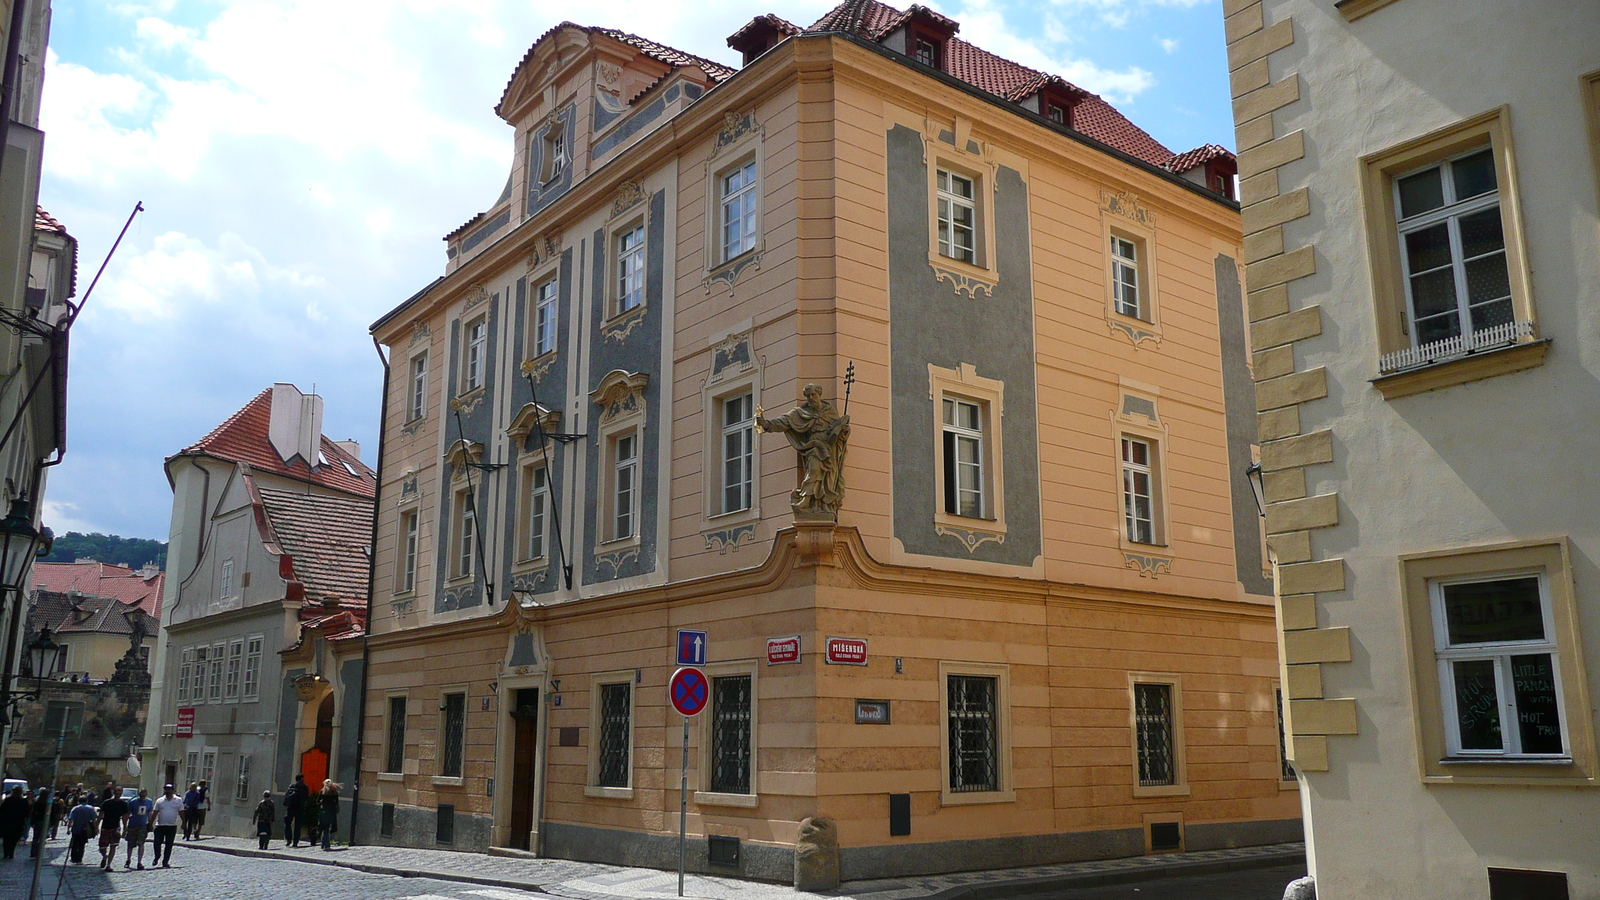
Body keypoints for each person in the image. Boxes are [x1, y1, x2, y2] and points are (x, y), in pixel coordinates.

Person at [150, 785, 183, 868]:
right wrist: (150, 823)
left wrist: (184, 822)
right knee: (157, 843)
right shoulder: (160, 801)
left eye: (169, 789)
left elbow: (181, 812)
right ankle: (157, 856)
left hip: (171, 826)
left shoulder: (178, 800)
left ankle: (165, 861)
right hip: (160, 825)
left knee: (169, 845)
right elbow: (155, 812)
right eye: (166, 789)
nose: (167, 791)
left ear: (173, 790)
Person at [97, 789, 128, 871]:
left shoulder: (123, 804)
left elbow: (125, 817)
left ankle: (109, 865)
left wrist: (125, 828)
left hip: (116, 827)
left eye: (119, 793)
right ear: (114, 793)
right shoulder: (107, 802)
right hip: (105, 827)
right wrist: (96, 826)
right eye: (116, 793)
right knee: (102, 847)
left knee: (113, 846)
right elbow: (100, 815)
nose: (118, 795)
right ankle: (105, 856)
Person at [124, 788, 154, 869]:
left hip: (143, 825)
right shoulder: (133, 802)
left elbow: (150, 813)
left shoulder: (149, 802)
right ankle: (128, 859)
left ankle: (139, 862)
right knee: (130, 843)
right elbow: (127, 814)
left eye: (144, 794)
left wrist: (150, 824)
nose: (142, 796)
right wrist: (125, 825)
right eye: (141, 794)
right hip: (133, 825)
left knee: (141, 843)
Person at [66, 796, 98, 864]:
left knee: (75, 844)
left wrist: (68, 829)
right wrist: (96, 828)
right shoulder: (90, 808)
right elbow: (94, 820)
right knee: (82, 844)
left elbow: (71, 819)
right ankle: (79, 858)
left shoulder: (75, 808)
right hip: (85, 829)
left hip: (76, 828)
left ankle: (73, 857)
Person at [0, 786, 28, 859]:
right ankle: (11, 852)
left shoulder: (8, 800)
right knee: (14, 838)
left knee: (6, 838)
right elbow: (26, 813)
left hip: (7, 822)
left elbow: (2, 810)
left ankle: (6, 853)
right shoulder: (23, 801)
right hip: (18, 822)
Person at [283, 774, 308, 847]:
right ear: (300, 779)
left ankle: (288, 839)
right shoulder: (304, 787)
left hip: (290, 808)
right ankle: (295, 841)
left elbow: (287, 796)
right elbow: (306, 798)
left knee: (288, 824)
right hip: (299, 809)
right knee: (298, 825)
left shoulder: (292, 786)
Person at [27, 788, 50, 858]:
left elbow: (33, 813)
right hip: (45, 821)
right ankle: (39, 853)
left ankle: (33, 853)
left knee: (35, 837)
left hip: (37, 821)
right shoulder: (49, 803)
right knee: (42, 838)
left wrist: (32, 822)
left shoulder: (38, 802)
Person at [317, 780, 339, 850]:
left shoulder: (322, 791)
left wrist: (321, 802)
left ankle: (325, 844)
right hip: (331, 812)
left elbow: (317, 801)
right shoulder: (334, 792)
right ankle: (325, 844)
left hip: (324, 811)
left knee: (324, 828)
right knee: (327, 828)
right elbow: (336, 802)